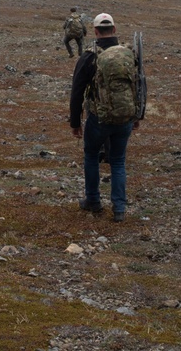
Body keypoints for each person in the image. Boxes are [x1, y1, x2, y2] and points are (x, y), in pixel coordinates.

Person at [68, 13, 138, 223]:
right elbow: (138, 85)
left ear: (96, 32)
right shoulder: (128, 54)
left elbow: (77, 90)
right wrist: (137, 115)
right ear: (114, 30)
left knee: (91, 156)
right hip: (125, 117)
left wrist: (74, 122)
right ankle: (119, 209)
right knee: (118, 161)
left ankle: (93, 200)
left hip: (99, 118)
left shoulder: (90, 56)